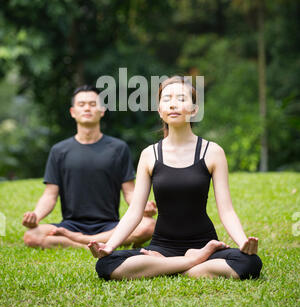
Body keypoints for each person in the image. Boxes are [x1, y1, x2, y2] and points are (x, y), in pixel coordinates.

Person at [89, 76, 263, 281]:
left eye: (181, 98)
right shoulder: (149, 155)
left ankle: (165, 267)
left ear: (194, 109)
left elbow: (226, 210)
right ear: (159, 110)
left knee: (250, 263)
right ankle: (192, 263)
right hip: (161, 247)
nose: (173, 104)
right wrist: (110, 246)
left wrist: (243, 243)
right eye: (167, 99)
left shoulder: (212, 152)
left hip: (204, 243)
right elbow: (135, 211)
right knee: (106, 264)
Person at [22, 85, 157, 249]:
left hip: (109, 225)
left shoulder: (118, 148)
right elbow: (50, 195)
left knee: (149, 225)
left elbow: (129, 191)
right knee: (31, 236)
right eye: (81, 104)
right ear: (73, 112)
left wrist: (143, 208)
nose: (87, 108)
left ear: (102, 110)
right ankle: (92, 243)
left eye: (93, 104)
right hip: (70, 225)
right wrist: (36, 216)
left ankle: (76, 241)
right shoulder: (59, 151)